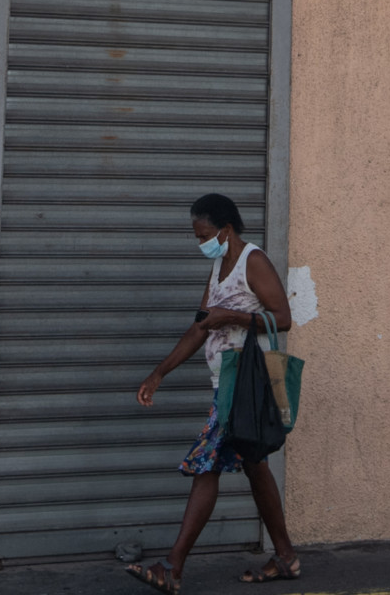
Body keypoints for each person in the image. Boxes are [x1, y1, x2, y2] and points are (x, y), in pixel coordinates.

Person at [125, 193, 299, 593]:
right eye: (197, 236)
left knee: (205, 467)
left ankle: (172, 567)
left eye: (203, 235)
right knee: (255, 467)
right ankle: (286, 556)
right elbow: (200, 326)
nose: (200, 242)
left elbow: (284, 318)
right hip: (226, 384)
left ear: (225, 230)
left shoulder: (253, 261)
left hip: (244, 388)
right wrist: (159, 373)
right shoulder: (219, 266)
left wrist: (232, 316)